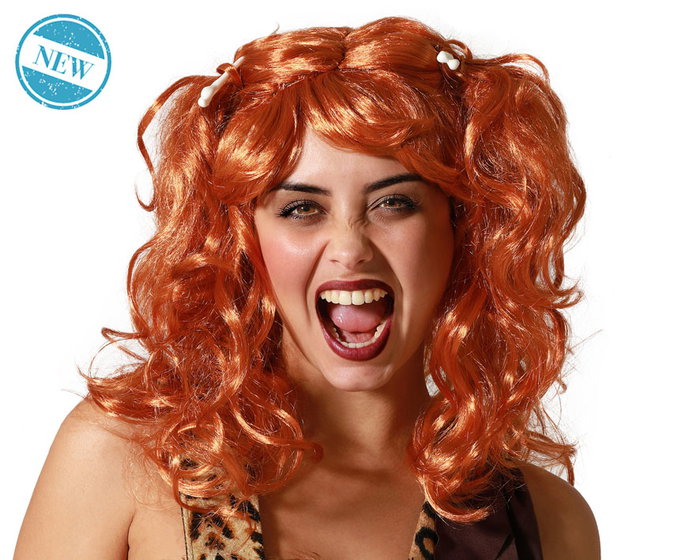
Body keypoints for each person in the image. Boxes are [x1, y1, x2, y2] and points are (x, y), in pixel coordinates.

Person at [14, 16, 599, 560]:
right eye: (301, 208)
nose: (350, 247)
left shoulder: (548, 522)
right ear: (242, 239)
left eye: (394, 202)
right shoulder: (124, 459)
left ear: (465, 228)